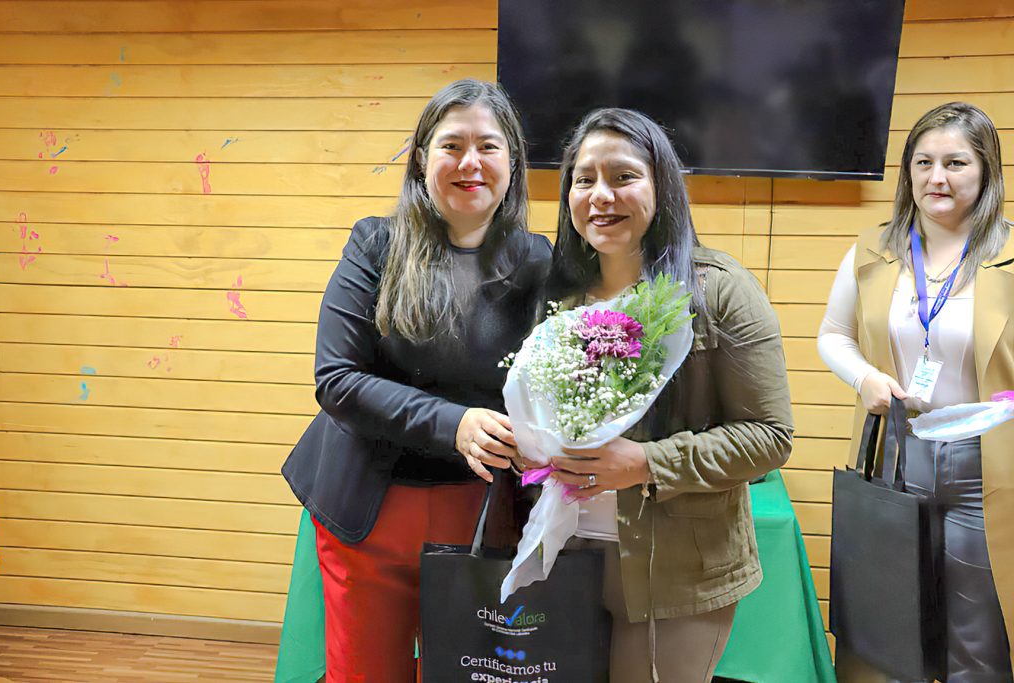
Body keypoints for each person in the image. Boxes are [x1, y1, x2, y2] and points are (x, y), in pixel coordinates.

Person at [280, 78, 551, 682]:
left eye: (488, 146)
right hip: (368, 505)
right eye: (452, 145)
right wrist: (454, 424)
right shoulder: (375, 244)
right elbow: (337, 379)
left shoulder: (539, 261)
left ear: (513, 162)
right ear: (423, 159)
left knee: (467, 672)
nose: (470, 162)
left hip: (481, 510)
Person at [544, 108, 793, 682]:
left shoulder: (718, 290)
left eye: (623, 177)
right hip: (562, 556)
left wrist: (647, 463)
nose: (600, 195)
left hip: (676, 572)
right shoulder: (556, 294)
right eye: (584, 179)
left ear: (662, 186)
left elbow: (769, 437)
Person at [818, 101, 1014, 682]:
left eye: (956, 163)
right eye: (923, 162)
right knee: (887, 628)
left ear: (986, 170)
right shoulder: (873, 250)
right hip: (896, 454)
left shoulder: (1008, 254)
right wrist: (864, 377)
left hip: (986, 463)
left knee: (977, 640)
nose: (937, 177)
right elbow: (833, 336)